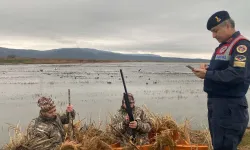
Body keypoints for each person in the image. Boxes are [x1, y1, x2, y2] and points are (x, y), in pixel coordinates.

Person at [192, 10, 250, 150]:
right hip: (217, 104)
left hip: (230, 106)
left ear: (228, 26)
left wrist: (207, 75)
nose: (213, 35)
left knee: (226, 146)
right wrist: (209, 68)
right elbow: (224, 68)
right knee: (218, 145)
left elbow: (237, 74)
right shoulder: (224, 46)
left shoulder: (241, 45)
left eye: (215, 31)